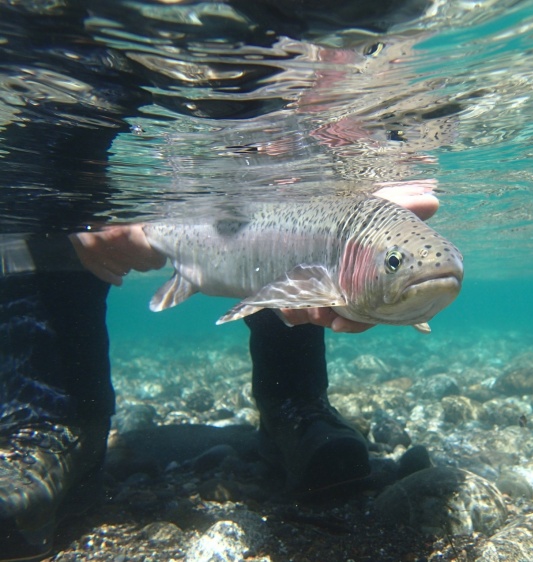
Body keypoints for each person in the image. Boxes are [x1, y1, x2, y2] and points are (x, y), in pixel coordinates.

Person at [0, 1, 437, 560]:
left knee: (295, 219)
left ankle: (292, 403)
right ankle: (52, 416)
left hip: (288, 38)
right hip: (78, 33)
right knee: (45, 166)